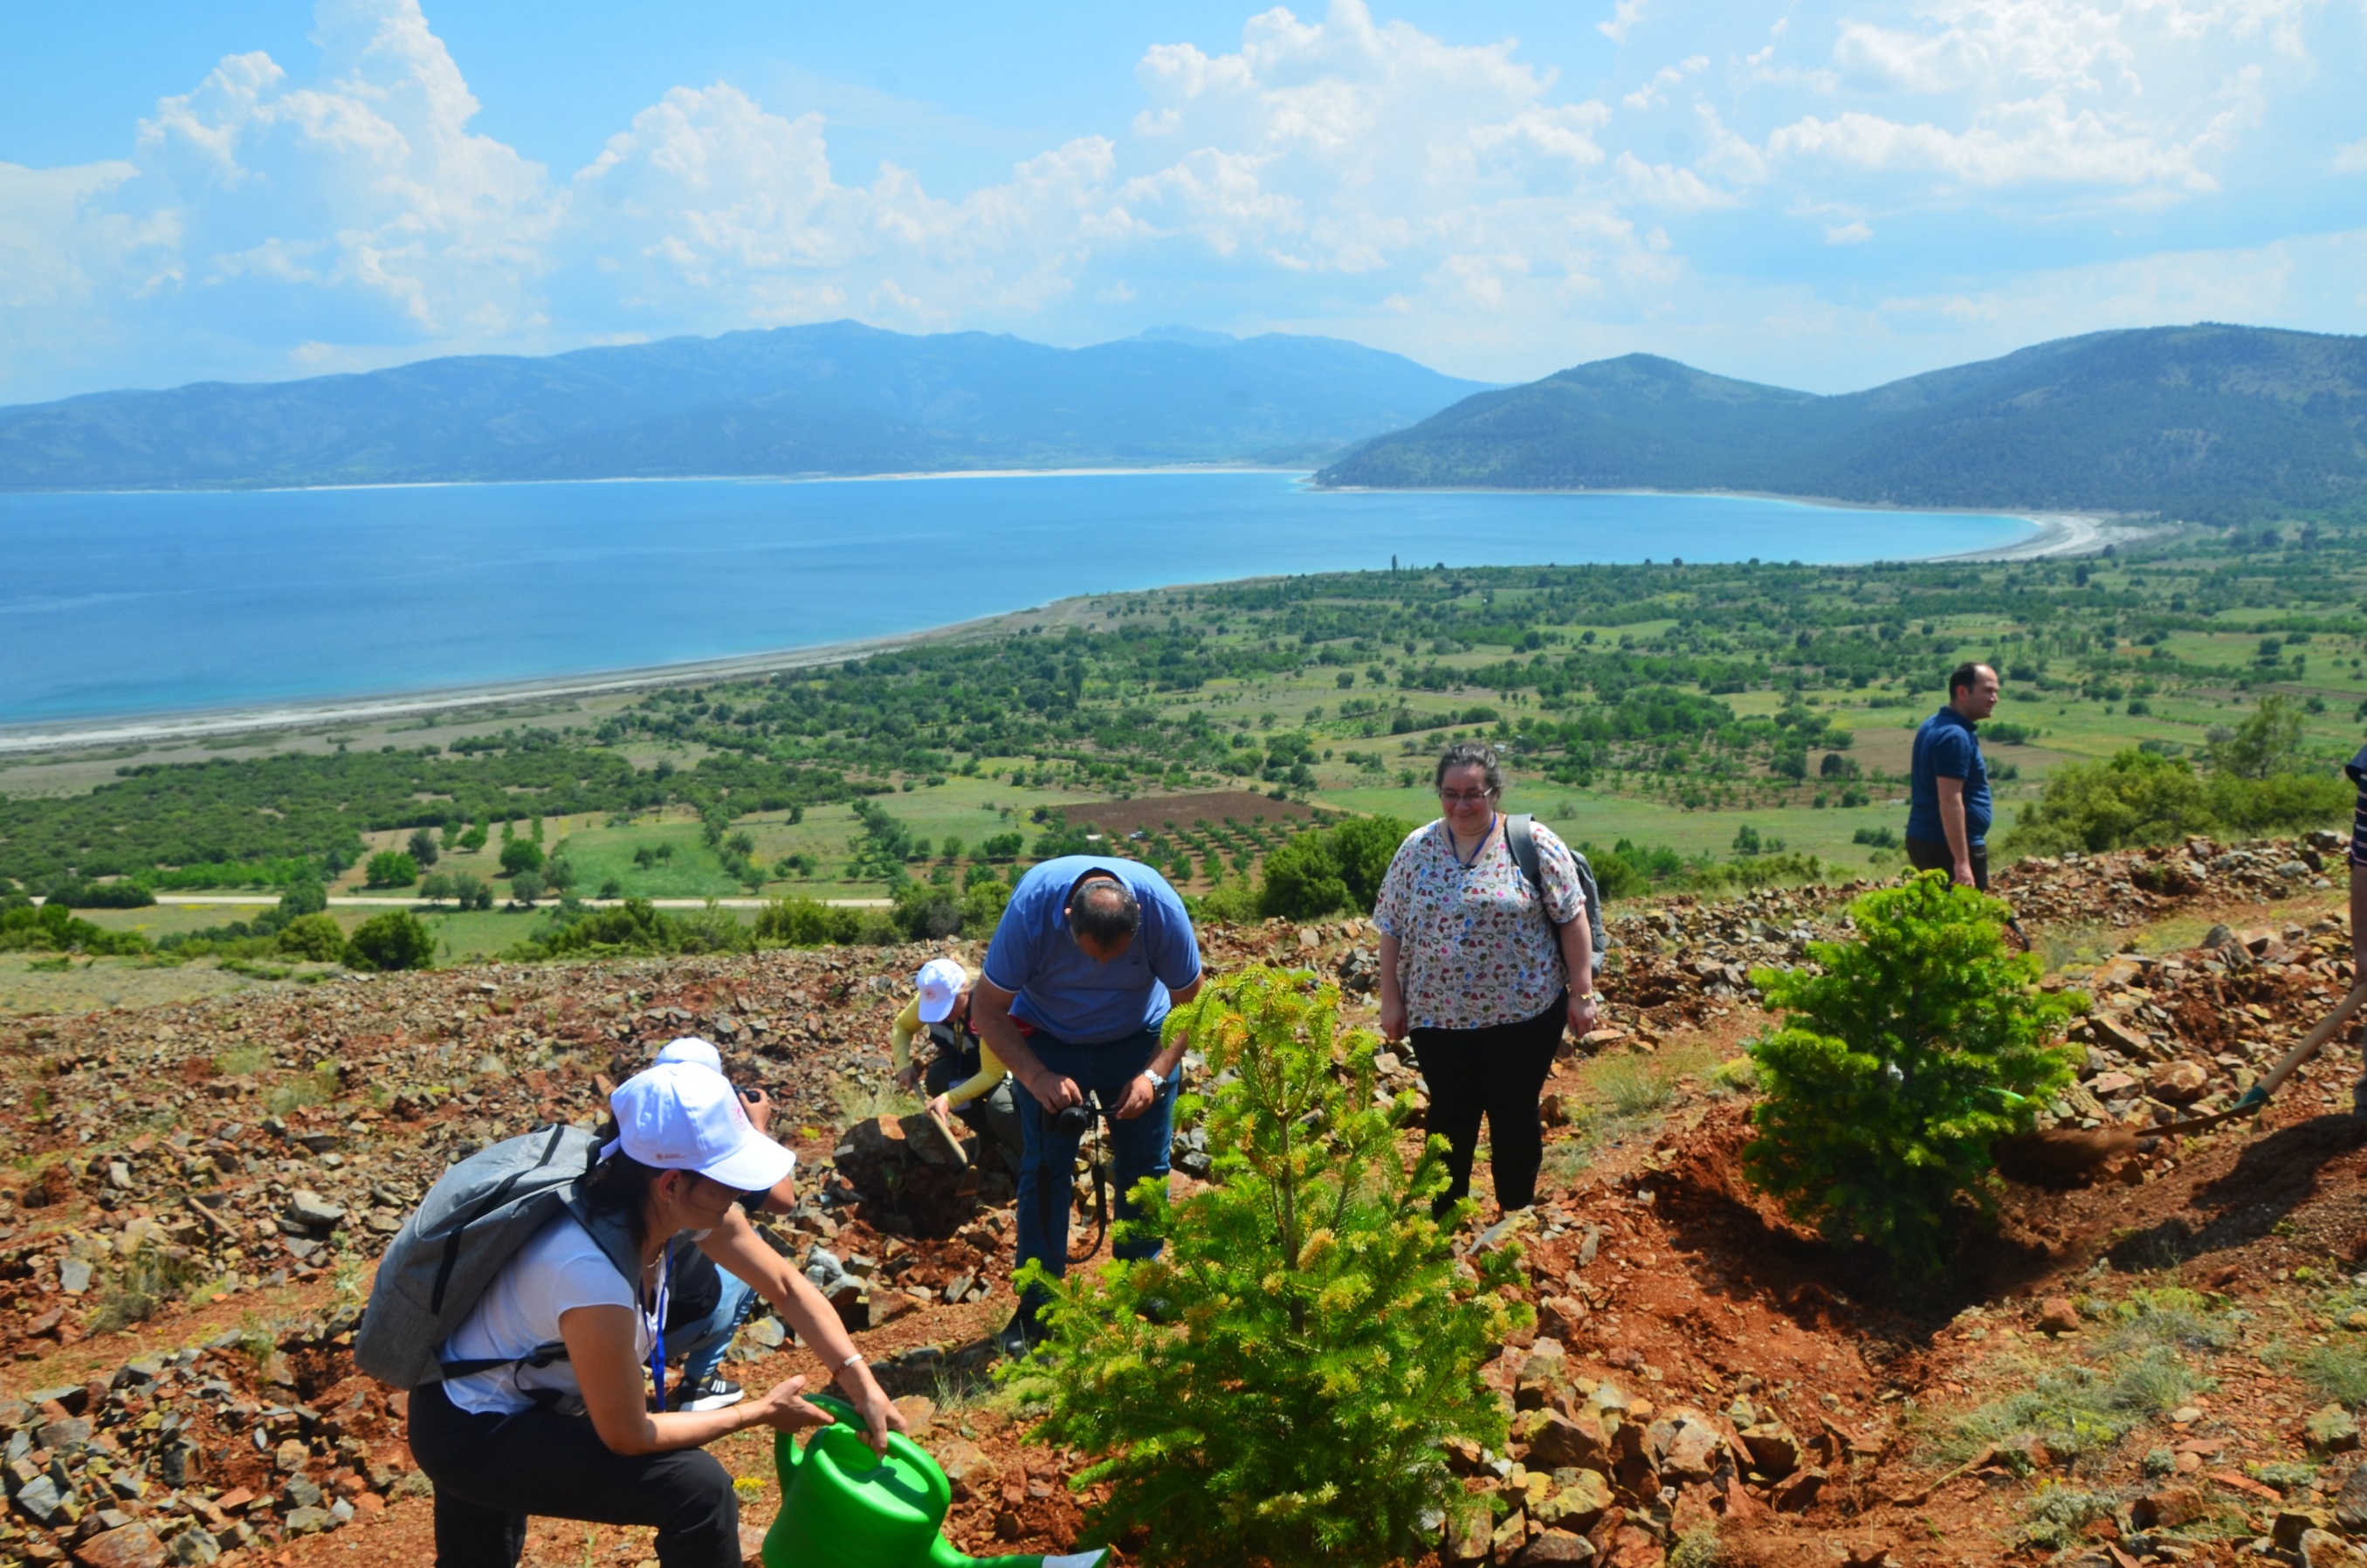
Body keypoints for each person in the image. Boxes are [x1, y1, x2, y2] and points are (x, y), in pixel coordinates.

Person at [408, 1062, 903, 1568]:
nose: (739, 1196)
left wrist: (862, 1383)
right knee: (696, 1489)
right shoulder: (588, 1273)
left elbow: (784, 1284)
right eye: (728, 1179)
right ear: (670, 1184)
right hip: (470, 1430)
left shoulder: (668, 1207)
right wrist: (756, 1412)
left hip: (510, 1397)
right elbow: (628, 1435)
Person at [970, 857, 1203, 1354]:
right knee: (1044, 1171)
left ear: (1137, 916)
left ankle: (1142, 1283)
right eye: (1090, 955)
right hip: (1050, 1041)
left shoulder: (1162, 909)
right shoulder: (1031, 911)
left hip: (1140, 1038)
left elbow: (1193, 1004)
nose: (1101, 968)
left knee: (1145, 1166)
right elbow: (985, 1010)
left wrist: (1154, 1074)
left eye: (1115, 958)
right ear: (1067, 918)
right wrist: (1036, 1077)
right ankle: (1038, 1306)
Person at [1375, 741, 1599, 1219]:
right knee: (1449, 1116)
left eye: (1473, 793)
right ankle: (1440, 1220)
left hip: (1525, 1016)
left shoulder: (1534, 844)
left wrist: (1582, 994)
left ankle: (1515, 1216)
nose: (1461, 805)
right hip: (1437, 1017)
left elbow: (1572, 918)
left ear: (1494, 792)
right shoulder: (1416, 850)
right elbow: (1391, 927)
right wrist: (1390, 999)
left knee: (1513, 1112)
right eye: (1450, 794)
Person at [643, 1036, 795, 1412]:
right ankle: (700, 1382)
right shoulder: (711, 1149)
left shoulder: (632, 1139)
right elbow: (783, 1201)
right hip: (672, 1325)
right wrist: (755, 1128)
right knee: (749, 1257)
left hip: (614, 1329)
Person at [889, 957, 1025, 1163]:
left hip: (1007, 1074)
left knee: (999, 1107)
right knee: (938, 1079)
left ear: (963, 991)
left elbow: (993, 1073)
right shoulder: (929, 1000)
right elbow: (902, 1027)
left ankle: (1036, 1158)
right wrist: (903, 1066)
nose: (941, 1016)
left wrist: (948, 1099)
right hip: (970, 1065)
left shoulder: (986, 1005)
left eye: (947, 1006)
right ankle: (992, 1137)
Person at [1906, 662, 2000, 890]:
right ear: (1962, 692)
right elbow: (1950, 800)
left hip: (1927, 838)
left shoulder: (1935, 724)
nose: (1994, 698)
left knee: (1948, 913)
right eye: (1987, 691)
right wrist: (1962, 861)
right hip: (1946, 844)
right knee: (1968, 915)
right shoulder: (1954, 736)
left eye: (1996, 692)